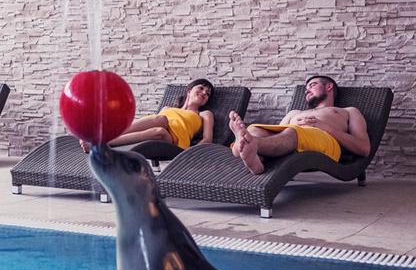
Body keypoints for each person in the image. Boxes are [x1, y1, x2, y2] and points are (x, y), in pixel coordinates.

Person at [228, 75, 370, 175]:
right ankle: (256, 161)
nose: (307, 90)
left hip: (325, 143)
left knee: (292, 132)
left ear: (329, 86)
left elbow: (364, 148)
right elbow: (277, 137)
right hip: (291, 138)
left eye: (312, 85)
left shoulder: (348, 111)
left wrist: (328, 129)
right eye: (306, 88)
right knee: (255, 129)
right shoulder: (295, 112)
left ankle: (243, 144)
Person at [80, 78, 215, 153]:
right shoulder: (167, 108)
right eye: (201, 88)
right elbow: (150, 124)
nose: (204, 93)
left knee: (161, 124)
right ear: (189, 90)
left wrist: (190, 152)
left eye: (208, 93)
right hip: (159, 130)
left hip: (175, 142)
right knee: (159, 126)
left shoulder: (204, 114)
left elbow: (207, 139)